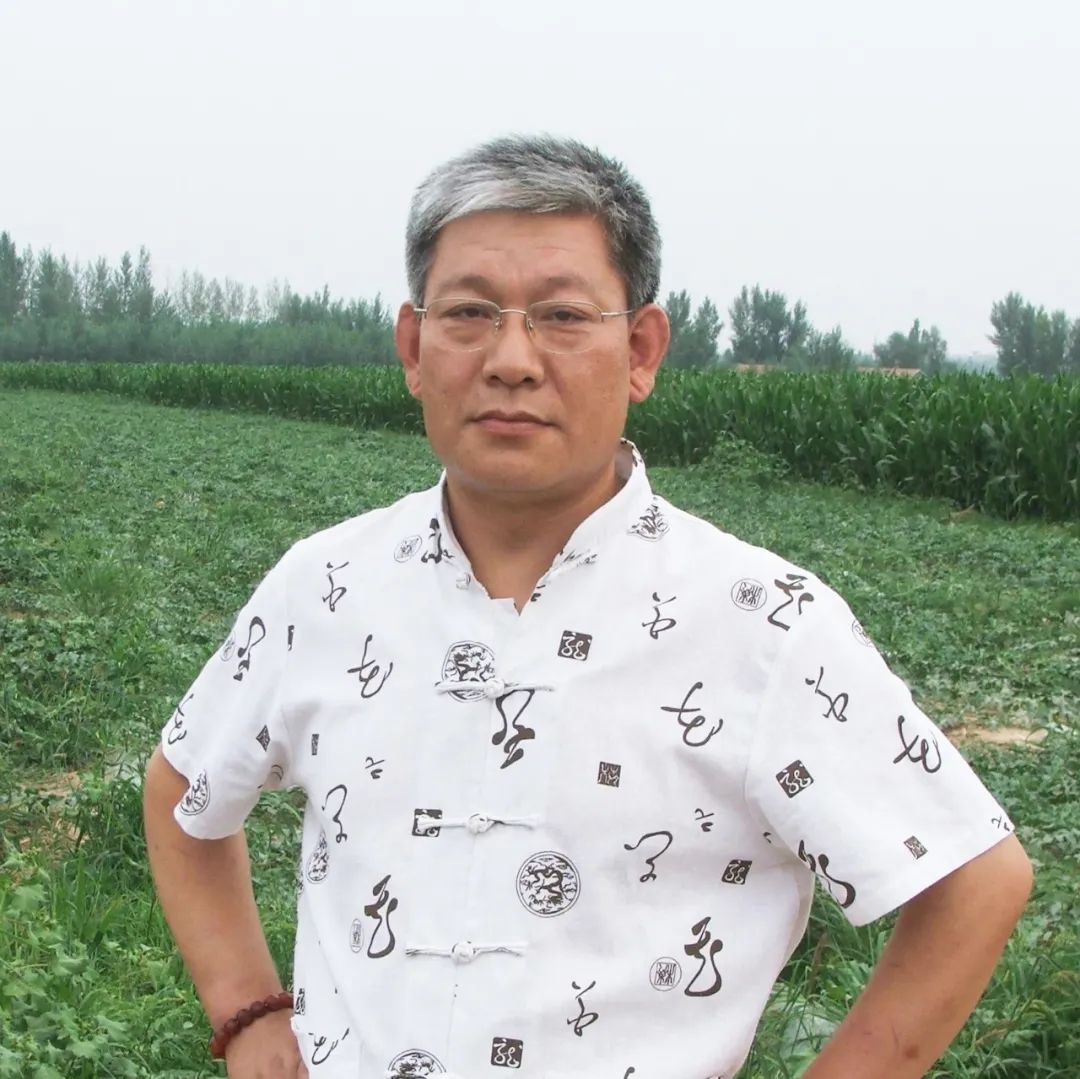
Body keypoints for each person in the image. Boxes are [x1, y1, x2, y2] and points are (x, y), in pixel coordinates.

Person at [143, 134, 1033, 1079]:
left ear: (640, 350)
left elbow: (974, 879)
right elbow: (180, 788)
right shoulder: (326, 585)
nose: (511, 359)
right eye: (469, 313)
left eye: (562, 316)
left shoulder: (760, 624)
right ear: (413, 348)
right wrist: (247, 1011)